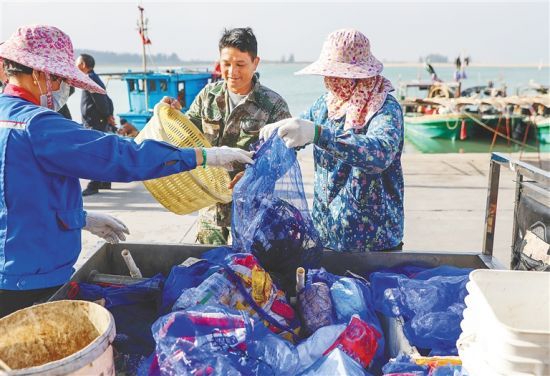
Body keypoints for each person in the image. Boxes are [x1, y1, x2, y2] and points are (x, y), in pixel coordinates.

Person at [0, 25, 254, 317]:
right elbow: (123, 157)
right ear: (38, 75)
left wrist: (80, 218)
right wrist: (204, 156)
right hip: (29, 279)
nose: (64, 90)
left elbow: (19, 198)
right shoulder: (38, 125)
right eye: (59, 79)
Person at [261, 29, 404, 253]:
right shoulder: (325, 105)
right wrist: (263, 156)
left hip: (375, 243)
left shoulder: (385, 108)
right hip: (327, 234)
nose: (329, 82)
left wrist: (321, 135)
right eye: (327, 75)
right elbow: (297, 135)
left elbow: (380, 154)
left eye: (338, 75)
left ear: (360, 75)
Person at [182, 27, 291, 245]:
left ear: (255, 63)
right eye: (226, 64)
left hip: (253, 208)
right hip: (211, 208)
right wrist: (172, 112)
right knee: (209, 267)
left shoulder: (273, 104)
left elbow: (286, 153)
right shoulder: (207, 96)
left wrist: (255, 174)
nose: (232, 71)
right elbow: (186, 133)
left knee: (248, 270)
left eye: (240, 64)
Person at [76, 53, 117, 196]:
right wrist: (109, 115)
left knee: (94, 154)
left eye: (77, 63)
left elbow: (101, 101)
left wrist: (107, 115)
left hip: (95, 123)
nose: (75, 66)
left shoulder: (90, 79)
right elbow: (108, 98)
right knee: (101, 152)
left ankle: (94, 185)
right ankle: (105, 181)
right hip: (96, 121)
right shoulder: (93, 78)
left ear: (83, 65)